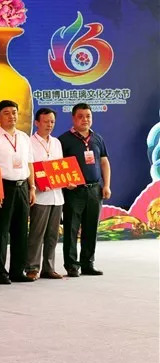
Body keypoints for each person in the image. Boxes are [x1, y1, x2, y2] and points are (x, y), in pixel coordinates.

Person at [0, 100, 36, 284]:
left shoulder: (24, 138)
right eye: (6, 113)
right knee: (1, 232)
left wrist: (32, 187)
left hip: (22, 187)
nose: (12, 116)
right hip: (3, 187)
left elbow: (29, 164)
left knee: (21, 231)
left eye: (14, 112)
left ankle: (17, 271)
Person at [58, 103, 111, 277]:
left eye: (88, 116)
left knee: (91, 228)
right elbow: (57, 166)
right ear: (73, 118)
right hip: (74, 192)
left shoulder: (97, 138)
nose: (85, 120)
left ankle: (88, 263)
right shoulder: (64, 140)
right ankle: (72, 265)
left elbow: (104, 162)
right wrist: (65, 182)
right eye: (80, 116)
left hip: (95, 190)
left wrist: (106, 185)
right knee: (71, 229)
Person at [25, 108, 65, 280]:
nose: (50, 125)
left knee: (52, 235)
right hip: (40, 195)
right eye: (46, 121)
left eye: (52, 122)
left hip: (57, 195)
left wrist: (66, 181)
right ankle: (32, 267)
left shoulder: (56, 142)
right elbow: (29, 167)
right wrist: (33, 186)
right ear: (37, 123)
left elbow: (60, 167)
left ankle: (49, 267)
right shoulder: (29, 143)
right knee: (37, 233)